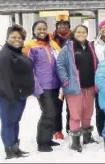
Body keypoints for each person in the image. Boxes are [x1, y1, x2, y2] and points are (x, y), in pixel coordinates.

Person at [0, 24, 33, 159]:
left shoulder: (17, 53)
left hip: (19, 95)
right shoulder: (4, 55)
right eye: (13, 37)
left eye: (19, 37)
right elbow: (2, 78)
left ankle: (15, 147)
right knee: (8, 122)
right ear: (7, 38)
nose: (16, 40)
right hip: (8, 96)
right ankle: (9, 149)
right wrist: (11, 94)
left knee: (14, 121)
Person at [56, 25, 98, 153]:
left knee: (88, 112)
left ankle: (87, 136)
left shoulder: (90, 47)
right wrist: (66, 81)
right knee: (75, 114)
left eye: (84, 32)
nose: (81, 34)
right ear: (74, 33)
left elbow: (95, 63)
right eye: (78, 31)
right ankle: (75, 142)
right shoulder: (68, 48)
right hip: (74, 86)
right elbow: (60, 64)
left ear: (87, 33)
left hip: (89, 85)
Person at [23, 20, 62, 152]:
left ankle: (48, 138)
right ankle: (42, 142)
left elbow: (61, 60)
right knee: (48, 112)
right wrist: (35, 86)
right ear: (33, 30)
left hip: (55, 84)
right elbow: (28, 68)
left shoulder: (52, 43)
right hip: (42, 85)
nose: (42, 31)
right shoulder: (29, 45)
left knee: (54, 112)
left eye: (44, 29)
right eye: (39, 29)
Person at [50, 14, 71, 139]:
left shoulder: (73, 39)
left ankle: (71, 128)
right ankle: (57, 130)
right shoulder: (51, 40)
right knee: (57, 107)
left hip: (70, 78)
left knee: (71, 106)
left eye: (65, 25)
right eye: (60, 25)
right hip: (56, 79)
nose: (62, 27)